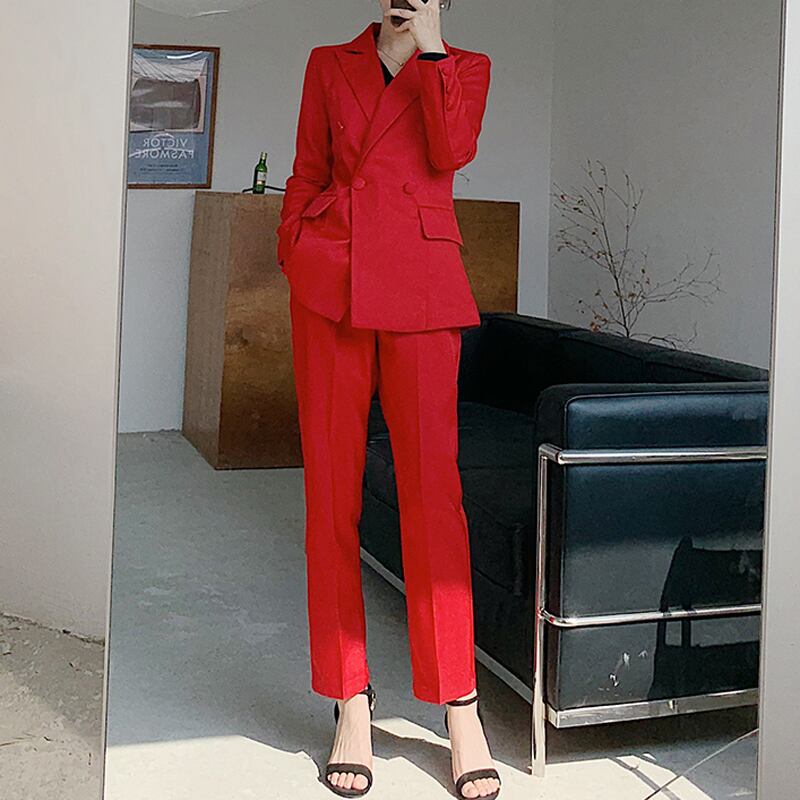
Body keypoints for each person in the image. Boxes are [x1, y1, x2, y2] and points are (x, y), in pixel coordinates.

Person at [276, 1, 499, 797]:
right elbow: (308, 168)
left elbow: (452, 150)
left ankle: (460, 705)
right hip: (332, 283)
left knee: (434, 497)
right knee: (331, 495)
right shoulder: (327, 62)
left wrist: (430, 51)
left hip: (423, 285)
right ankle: (350, 699)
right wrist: (298, 244)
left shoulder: (465, 68)